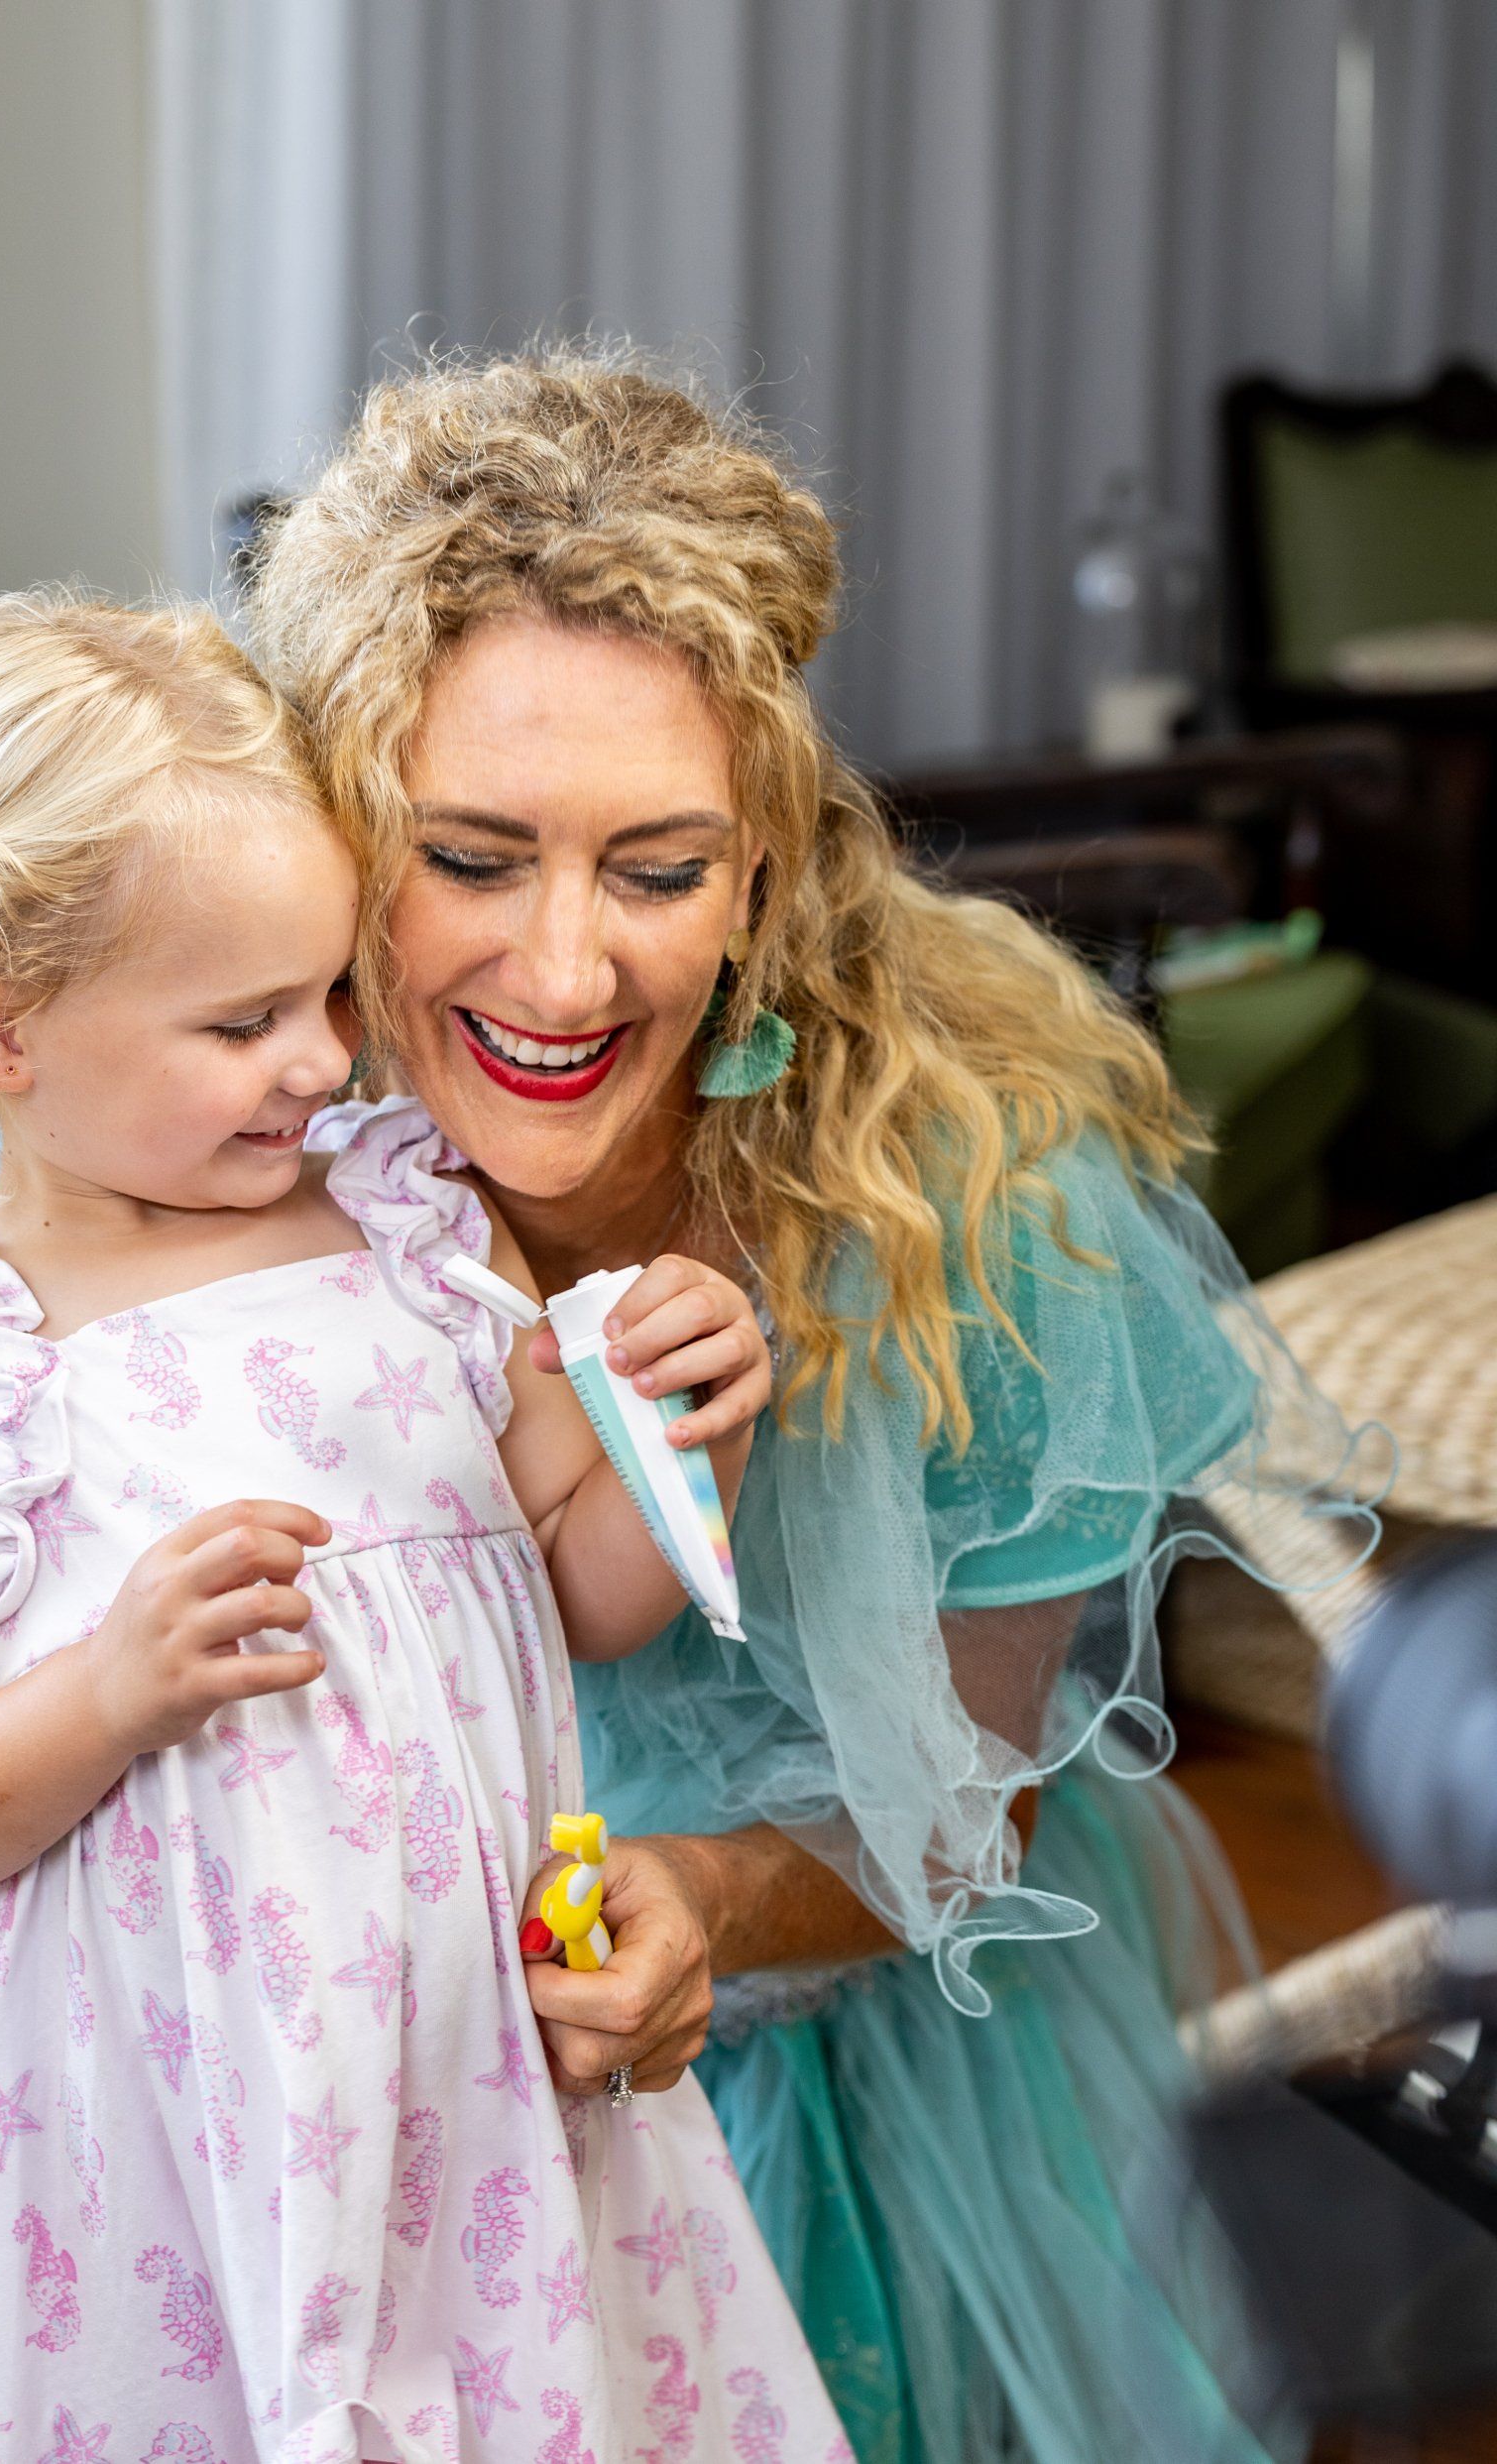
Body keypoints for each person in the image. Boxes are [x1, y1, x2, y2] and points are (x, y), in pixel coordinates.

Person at [245, 348, 1381, 2463]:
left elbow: (986, 1798)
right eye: (472, 859)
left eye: (658, 872)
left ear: (763, 864)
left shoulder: (979, 1200)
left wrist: (711, 1899)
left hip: (887, 2036)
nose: (567, 977)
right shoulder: (244, 1149)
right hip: (389, 2047)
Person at [0, 591, 857, 2463]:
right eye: (241, 1018)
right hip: (182, 2119)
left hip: (486, 2076)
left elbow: (581, 1595)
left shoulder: (412, 1223)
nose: (320, 1059)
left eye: (332, 993)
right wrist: (102, 1692)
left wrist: (684, 1431)